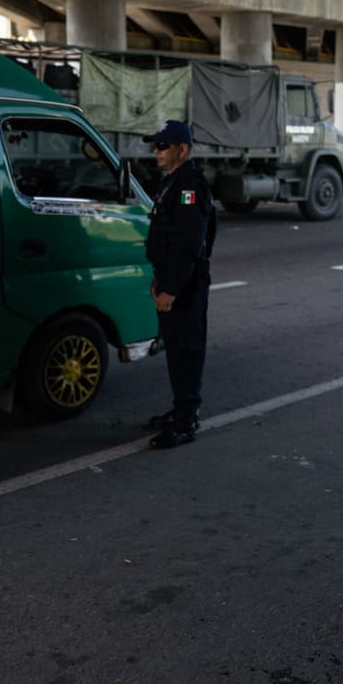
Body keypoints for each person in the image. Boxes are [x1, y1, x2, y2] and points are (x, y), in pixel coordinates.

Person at [142, 119, 216, 449]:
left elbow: (188, 245)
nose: (155, 152)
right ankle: (180, 409)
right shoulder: (172, 182)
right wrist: (160, 279)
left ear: (182, 149)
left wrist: (171, 290)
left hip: (186, 287)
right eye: (155, 146)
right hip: (172, 280)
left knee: (186, 352)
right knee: (175, 350)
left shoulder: (190, 187)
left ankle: (186, 421)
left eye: (162, 146)